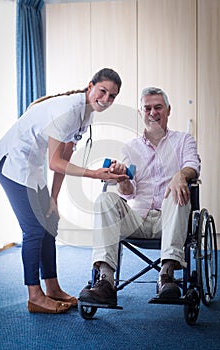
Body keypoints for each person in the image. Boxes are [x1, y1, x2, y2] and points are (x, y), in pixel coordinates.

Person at [0, 68, 129, 314]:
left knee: (49, 224)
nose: (106, 99)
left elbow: (63, 157)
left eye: (112, 96)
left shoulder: (87, 114)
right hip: (12, 164)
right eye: (103, 91)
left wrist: (53, 199)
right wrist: (94, 173)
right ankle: (35, 296)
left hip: (31, 168)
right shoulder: (68, 111)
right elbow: (54, 163)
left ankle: (52, 288)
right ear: (90, 86)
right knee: (33, 230)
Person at [79, 87, 201, 305]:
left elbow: (193, 165)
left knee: (178, 192)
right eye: (147, 108)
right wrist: (123, 179)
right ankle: (106, 281)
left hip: (170, 219)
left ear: (168, 110)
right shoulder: (130, 147)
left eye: (158, 107)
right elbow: (129, 192)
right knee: (105, 199)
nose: (152, 112)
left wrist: (180, 175)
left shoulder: (184, 140)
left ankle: (166, 275)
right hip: (137, 219)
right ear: (141, 112)